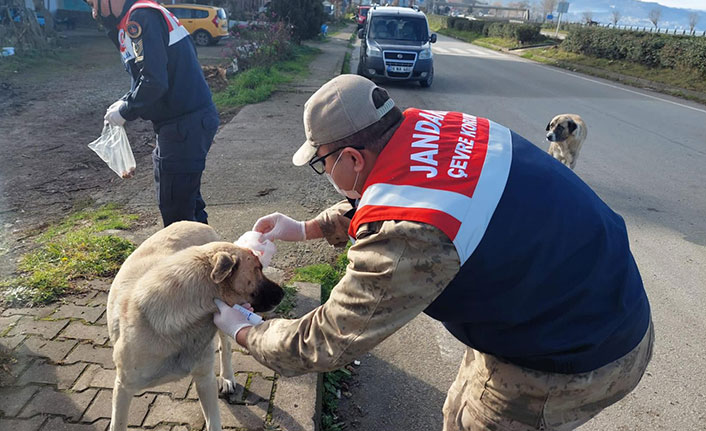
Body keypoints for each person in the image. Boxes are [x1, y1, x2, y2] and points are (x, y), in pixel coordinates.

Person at [213, 75, 654, 430]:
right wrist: (309, 228)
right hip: (569, 291)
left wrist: (245, 331)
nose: (323, 172)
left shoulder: (412, 238)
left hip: (578, 349)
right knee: (456, 413)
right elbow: (411, 188)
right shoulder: (434, 127)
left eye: (322, 163)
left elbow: (328, 340)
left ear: (351, 158)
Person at [85, 0, 219, 226]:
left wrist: (126, 111)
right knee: (188, 207)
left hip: (183, 126)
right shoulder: (143, 15)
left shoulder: (141, 17)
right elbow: (149, 74)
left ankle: (195, 259)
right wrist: (125, 101)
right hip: (184, 123)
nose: (94, 13)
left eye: (94, 4)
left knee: (177, 215)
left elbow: (154, 82)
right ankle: (210, 258)